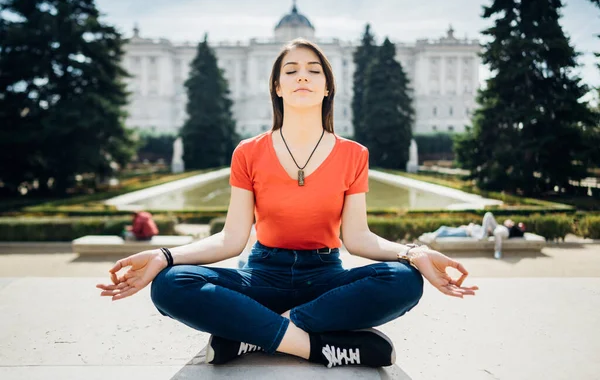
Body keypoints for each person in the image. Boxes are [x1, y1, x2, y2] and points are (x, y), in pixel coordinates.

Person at [97, 38, 478, 369]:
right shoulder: (248, 151)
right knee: (170, 285)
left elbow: (359, 239)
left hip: (326, 277)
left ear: (328, 87)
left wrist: (416, 253)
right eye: (291, 70)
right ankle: (316, 347)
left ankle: (253, 332)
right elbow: (231, 240)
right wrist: (165, 256)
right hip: (261, 274)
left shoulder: (353, 154)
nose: (302, 76)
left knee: (404, 280)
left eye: (314, 70)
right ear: (277, 87)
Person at [423, 212, 526, 259]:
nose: (521, 224)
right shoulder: (508, 224)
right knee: (488, 214)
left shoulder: (517, 230)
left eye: (522, 226)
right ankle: (482, 235)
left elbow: (520, 231)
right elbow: (505, 222)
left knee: (498, 232)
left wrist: (512, 225)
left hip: (502, 232)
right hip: (493, 228)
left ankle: (497, 251)